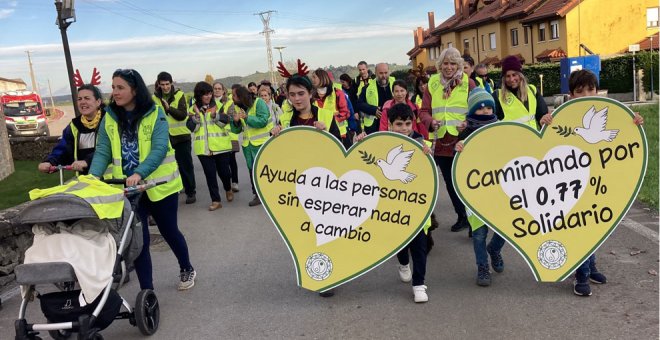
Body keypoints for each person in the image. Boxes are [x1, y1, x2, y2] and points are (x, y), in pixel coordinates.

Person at [90, 68, 196, 291]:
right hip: (129, 190)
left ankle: (186, 267)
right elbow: (103, 150)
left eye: (120, 88)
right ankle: (147, 292)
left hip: (158, 185)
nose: (115, 92)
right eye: (113, 87)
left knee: (169, 231)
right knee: (140, 240)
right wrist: (93, 177)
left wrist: (139, 173)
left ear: (135, 90)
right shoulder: (110, 115)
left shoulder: (155, 113)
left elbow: (158, 149)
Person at [540, 69, 643, 296]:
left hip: (598, 182)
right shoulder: (563, 116)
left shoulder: (614, 111)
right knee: (579, 227)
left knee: (594, 226)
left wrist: (634, 124)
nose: (587, 94)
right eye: (580, 91)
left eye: (591, 89)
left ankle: (591, 265)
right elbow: (547, 145)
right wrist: (545, 121)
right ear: (571, 95)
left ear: (597, 90)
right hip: (572, 185)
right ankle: (581, 274)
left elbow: (625, 142)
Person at [366, 103, 432, 302]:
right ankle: (403, 263)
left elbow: (430, 175)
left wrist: (428, 154)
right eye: (399, 124)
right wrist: (360, 140)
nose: (404, 128)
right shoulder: (381, 144)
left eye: (407, 123)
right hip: (393, 206)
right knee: (401, 244)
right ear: (390, 125)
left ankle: (419, 284)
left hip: (417, 204)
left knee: (420, 244)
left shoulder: (421, 144)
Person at [418, 47, 476, 232]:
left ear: (459, 64)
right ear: (440, 65)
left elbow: (479, 110)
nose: (449, 67)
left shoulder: (469, 83)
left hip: (462, 140)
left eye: (453, 63)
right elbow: (423, 111)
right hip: (441, 141)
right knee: (450, 184)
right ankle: (462, 217)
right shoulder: (432, 83)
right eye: (445, 63)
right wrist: (430, 121)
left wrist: (467, 123)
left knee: (466, 182)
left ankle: (476, 222)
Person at [455, 87, 506, 286]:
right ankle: (482, 267)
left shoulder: (501, 129)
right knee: (479, 233)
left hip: (498, 189)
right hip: (474, 192)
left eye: (488, 108)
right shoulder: (466, 133)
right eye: (480, 108)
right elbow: (460, 163)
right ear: (472, 110)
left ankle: (494, 249)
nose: (485, 111)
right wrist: (458, 148)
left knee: (503, 228)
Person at [38, 84, 105, 175]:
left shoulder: (109, 122)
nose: (82, 102)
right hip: (85, 182)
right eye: (79, 99)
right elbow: (63, 149)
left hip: (110, 181)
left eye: (87, 98)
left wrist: (87, 161)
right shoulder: (74, 126)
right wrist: (50, 162)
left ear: (98, 102)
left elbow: (107, 150)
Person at [188, 81, 234, 211]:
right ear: (199, 95)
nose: (208, 96)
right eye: (204, 94)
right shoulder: (192, 109)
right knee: (210, 175)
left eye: (209, 93)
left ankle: (228, 188)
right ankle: (216, 200)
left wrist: (215, 115)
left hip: (221, 146)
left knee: (224, 173)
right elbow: (191, 128)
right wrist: (196, 117)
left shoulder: (219, 105)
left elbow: (225, 122)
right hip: (203, 149)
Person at [152, 71, 196, 204]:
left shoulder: (180, 95)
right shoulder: (154, 98)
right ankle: (172, 190)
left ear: (171, 84)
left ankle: (191, 192)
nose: (165, 87)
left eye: (167, 84)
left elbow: (182, 115)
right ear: (158, 85)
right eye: (162, 85)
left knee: (185, 165)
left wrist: (169, 108)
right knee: (168, 167)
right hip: (165, 139)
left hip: (182, 137)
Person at [229, 85, 271, 207]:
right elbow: (236, 130)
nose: (232, 97)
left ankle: (270, 194)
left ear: (241, 96)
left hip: (261, 144)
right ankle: (257, 195)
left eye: (234, 95)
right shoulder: (238, 107)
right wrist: (235, 122)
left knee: (265, 171)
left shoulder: (259, 103)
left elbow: (262, 121)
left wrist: (247, 117)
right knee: (252, 171)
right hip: (248, 146)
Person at [493, 55, 550, 130]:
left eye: (514, 75)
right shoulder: (497, 95)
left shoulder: (532, 90)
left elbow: (542, 114)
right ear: (504, 78)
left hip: (534, 138)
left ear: (520, 75)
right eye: (508, 76)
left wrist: (544, 120)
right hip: (512, 140)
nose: (511, 79)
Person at [310, 68, 351, 147]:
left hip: (339, 134)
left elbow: (346, 113)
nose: (312, 79)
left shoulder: (337, 93)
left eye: (314, 77)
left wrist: (330, 120)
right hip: (319, 135)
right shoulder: (311, 96)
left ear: (322, 77)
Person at [213, 82, 240, 193]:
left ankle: (234, 182)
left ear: (224, 90)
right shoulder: (209, 103)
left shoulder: (229, 102)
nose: (217, 90)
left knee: (231, 160)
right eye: (215, 88)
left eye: (219, 88)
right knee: (220, 164)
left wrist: (217, 116)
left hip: (230, 135)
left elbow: (230, 117)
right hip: (215, 137)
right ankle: (226, 182)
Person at [357, 63, 395, 135]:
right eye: (381, 73)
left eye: (386, 73)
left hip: (393, 122)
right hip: (374, 126)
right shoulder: (368, 87)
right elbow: (359, 104)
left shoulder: (396, 83)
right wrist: (373, 110)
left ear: (389, 72)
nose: (384, 76)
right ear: (375, 73)